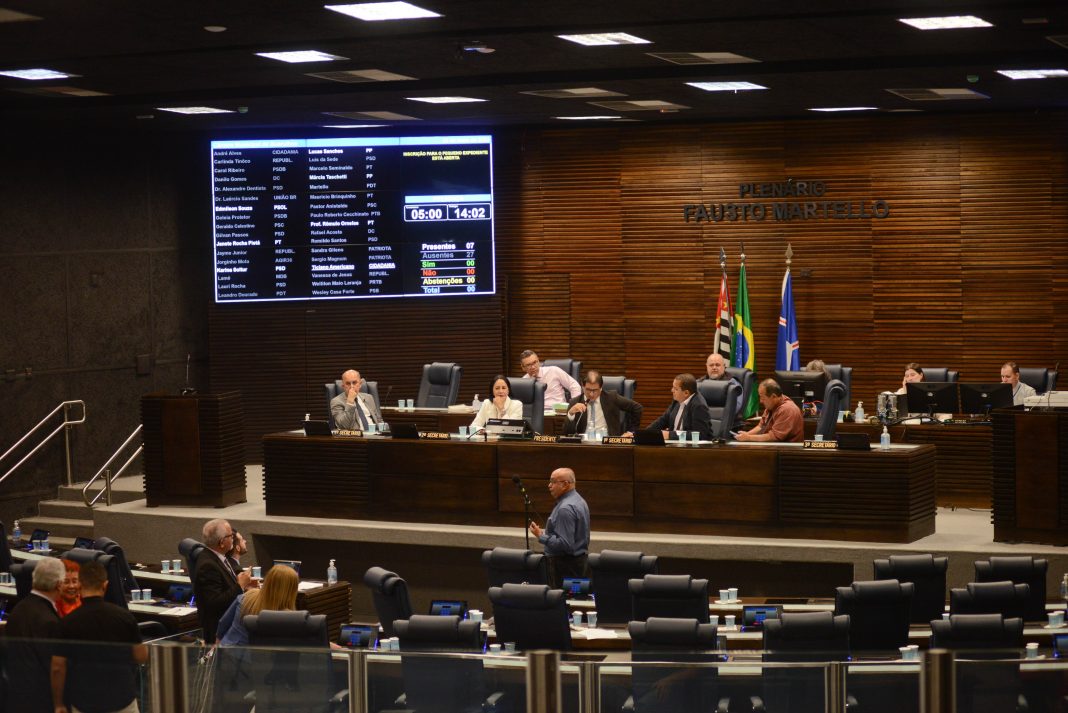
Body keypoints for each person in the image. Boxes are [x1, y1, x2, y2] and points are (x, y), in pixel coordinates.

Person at [50, 561, 147, 713]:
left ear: (80, 585)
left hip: (85, 702)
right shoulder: (124, 617)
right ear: (105, 585)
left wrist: (58, 704)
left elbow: (57, 667)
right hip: (122, 699)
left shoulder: (67, 623)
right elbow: (141, 656)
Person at [4, 557, 64, 713]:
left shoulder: (17, 610)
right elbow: (54, 667)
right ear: (59, 585)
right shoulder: (50, 621)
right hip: (40, 701)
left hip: (14, 695)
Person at [194, 518, 255, 642]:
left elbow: (225, 587)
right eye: (231, 536)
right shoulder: (208, 565)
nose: (233, 538)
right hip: (219, 632)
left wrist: (244, 586)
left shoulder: (218, 557)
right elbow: (215, 603)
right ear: (222, 542)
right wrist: (240, 585)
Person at [529, 468, 590, 588]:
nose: (549, 485)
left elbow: (565, 545)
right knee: (576, 597)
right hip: (578, 564)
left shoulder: (565, 508)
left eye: (553, 482)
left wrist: (541, 536)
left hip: (564, 568)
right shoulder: (580, 501)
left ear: (565, 484)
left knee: (563, 598)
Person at [216, 564, 300, 646]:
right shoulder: (288, 618)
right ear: (292, 591)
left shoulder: (245, 597)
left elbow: (222, 625)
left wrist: (216, 649)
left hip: (226, 648)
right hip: (253, 654)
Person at [563, 370, 643, 437]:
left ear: (601, 388)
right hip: (583, 445)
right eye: (588, 390)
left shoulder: (611, 398)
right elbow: (566, 433)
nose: (591, 394)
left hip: (607, 444)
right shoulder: (575, 402)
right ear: (582, 387)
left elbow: (637, 408)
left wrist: (631, 431)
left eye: (595, 390)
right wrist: (570, 414)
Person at [736, 379, 804, 443]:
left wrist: (749, 438)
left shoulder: (787, 409)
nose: (761, 401)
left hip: (788, 450)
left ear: (773, 396)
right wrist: (746, 434)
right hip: (774, 447)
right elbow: (761, 426)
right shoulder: (772, 405)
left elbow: (774, 436)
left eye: (763, 397)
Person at [648, 373, 712, 441]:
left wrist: (669, 435)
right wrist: (645, 433)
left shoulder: (699, 406)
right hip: (674, 444)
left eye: (675, 389)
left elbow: (699, 435)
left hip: (690, 446)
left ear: (686, 393)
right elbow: (662, 420)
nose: (672, 390)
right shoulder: (677, 400)